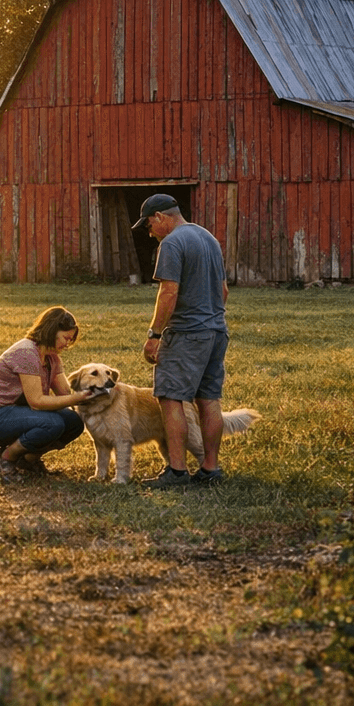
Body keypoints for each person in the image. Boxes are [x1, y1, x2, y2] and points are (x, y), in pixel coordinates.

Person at [133, 193, 231, 489]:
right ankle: (210, 469)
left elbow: (169, 293)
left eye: (148, 226)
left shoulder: (172, 243)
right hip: (216, 330)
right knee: (209, 398)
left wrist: (154, 335)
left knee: (171, 396)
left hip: (187, 333)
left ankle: (176, 472)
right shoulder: (208, 238)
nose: (149, 233)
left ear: (160, 217)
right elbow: (224, 290)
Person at [0, 306, 103, 482]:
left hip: (16, 412)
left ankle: (27, 461)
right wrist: (78, 398)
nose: (67, 344)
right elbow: (36, 402)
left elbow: (64, 393)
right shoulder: (27, 352)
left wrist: (93, 391)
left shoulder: (51, 356)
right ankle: (5, 458)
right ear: (52, 330)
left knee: (74, 422)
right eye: (65, 338)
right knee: (52, 423)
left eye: (70, 340)